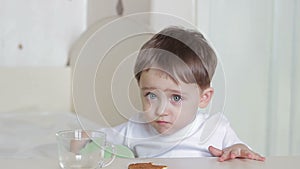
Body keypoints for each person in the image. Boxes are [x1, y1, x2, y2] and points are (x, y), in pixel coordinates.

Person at [102, 26, 265, 162]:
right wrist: (81, 139)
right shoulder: (136, 127)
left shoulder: (216, 129)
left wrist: (237, 151)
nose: (160, 110)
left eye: (176, 97)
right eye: (151, 95)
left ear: (204, 98)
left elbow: (243, 153)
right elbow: (98, 137)